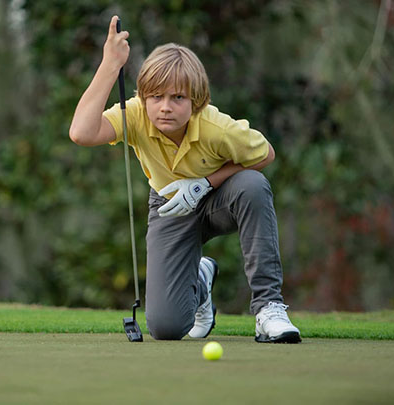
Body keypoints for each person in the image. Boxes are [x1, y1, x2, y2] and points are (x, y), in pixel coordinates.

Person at [69, 16, 301, 343]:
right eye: (156, 97)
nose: (165, 108)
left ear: (195, 101)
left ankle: (268, 308)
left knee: (253, 186)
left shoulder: (216, 126)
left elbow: (265, 155)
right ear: (143, 96)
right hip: (168, 207)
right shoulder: (134, 113)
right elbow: (81, 132)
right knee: (166, 328)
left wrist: (206, 183)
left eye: (177, 98)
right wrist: (110, 65)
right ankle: (201, 282)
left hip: (221, 199)